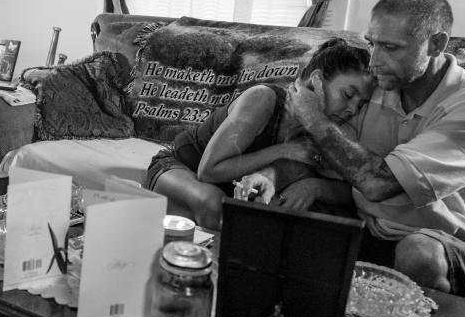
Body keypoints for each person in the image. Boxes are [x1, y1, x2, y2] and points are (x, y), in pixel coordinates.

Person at [267, 0, 465, 302]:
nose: (375, 61)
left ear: (435, 44)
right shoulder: (377, 85)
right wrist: (270, 178)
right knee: (273, 216)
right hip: (374, 228)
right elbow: (318, 152)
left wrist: (314, 119)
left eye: (391, 48)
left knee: (419, 253)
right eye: (372, 44)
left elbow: (378, 184)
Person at [145, 39, 374, 229]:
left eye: (361, 104)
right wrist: (283, 151)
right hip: (181, 167)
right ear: (317, 81)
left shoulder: (327, 130)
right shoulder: (263, 99)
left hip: (230, 187)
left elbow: (357, 190)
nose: (352, 109)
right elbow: (208, 171)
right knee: (215, 205)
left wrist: (314, 186)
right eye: (347, 94)